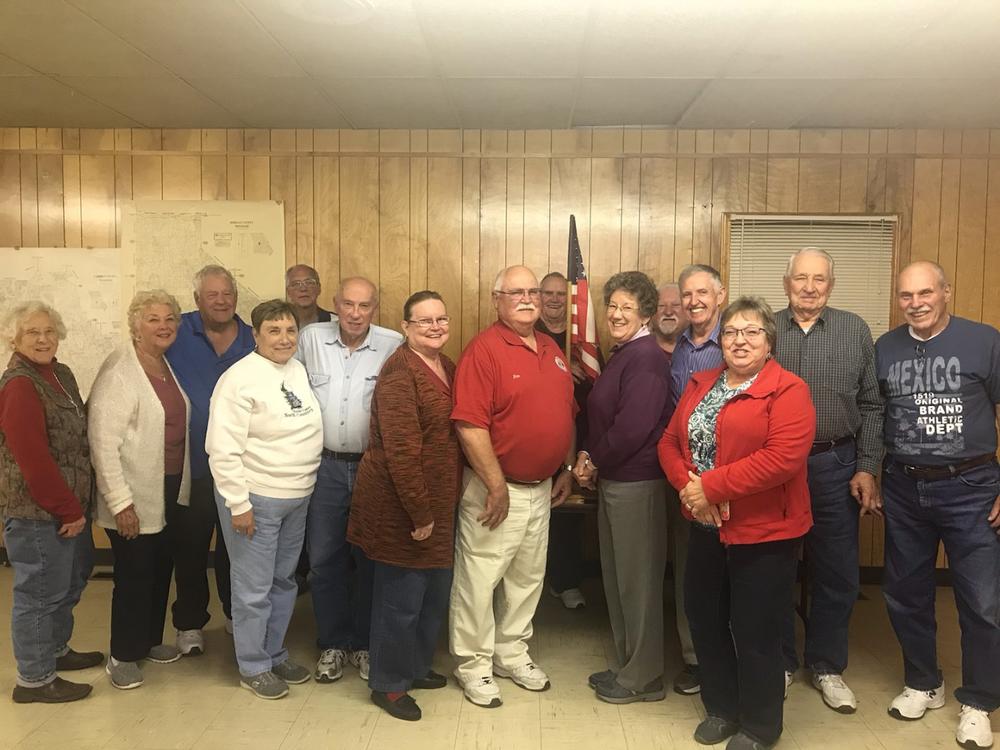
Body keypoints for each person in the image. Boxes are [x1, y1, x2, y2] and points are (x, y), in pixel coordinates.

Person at [659, 296, 815, 750]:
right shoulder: (700, 382)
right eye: (731, 332)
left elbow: (782, 459)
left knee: (756, 630)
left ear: (770, 342)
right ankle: (723, 708)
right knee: (704, 618)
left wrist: (712, 487)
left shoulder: (789, 390)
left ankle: (761, 726)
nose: (740, 340)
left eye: (751, 332)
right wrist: (691, 489)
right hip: (704, 526)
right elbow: (668, 443)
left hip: (764, 533)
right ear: (719, 340)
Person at [875, 261, 1000, 750]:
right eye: (906, 295)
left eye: (925, 292)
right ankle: (924, 682)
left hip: (971, 486)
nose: (916, 303)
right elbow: (874, 412)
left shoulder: (984, 340)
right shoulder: (885, 347)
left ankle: (978, 702)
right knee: (905, 593)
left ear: (946, 292)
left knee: (982, 601)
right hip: (904, 487)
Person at [449, 265, 575, 708]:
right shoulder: (483, 350)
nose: (527, 299)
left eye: (533, 292)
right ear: (496, 299)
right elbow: (469, 424)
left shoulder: (551, 348)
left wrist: (564, 468)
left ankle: (511, 652)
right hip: (494, 490)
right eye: (516, 292)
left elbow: (564, 411)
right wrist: (496, 485)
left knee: (527, 579)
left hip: (542, 488)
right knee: (480, 580)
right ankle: (474, 665)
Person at [774, 247, 883, 712]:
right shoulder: (765, 327)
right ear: (787, 282)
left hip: (834, 464)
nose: (810, 287)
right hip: (774, 469)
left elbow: (873, 406)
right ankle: (778, 662)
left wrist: (867, 467)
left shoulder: (854, 329)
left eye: (819, 279)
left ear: (831, 285)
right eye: (801, 278)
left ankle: (825, 666)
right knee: (772, 568)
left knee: (837, 572)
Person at [347, 291, 461, 722]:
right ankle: (389, 685)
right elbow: (400, 452)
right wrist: (421, 514)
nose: (435, 327)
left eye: (441, 318)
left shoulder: (445, 366)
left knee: (431, 593)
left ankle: (415, 666)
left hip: (437, 501)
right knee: (401, 598)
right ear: (407, 327)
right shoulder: (400, 372)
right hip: (401, 506)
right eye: (424, 321)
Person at [207, 299, 323, 700]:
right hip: (256, 499)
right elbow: (222, 449)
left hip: (297, 496)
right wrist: (238, 504)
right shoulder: (239, 378)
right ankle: (253, 665)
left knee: (282, 582)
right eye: (273, 331)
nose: (284, 338)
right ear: (255, 335)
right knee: (253, 587)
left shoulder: (297, 370)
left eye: (290, 330)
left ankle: (274, 652)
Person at [572, 272, 672, 704]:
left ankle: (644, 676)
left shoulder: (646, 357)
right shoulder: (625, 353)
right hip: (617, 480)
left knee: (638, 583)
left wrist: (593, 459)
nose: (615, 313)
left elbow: (632, 427)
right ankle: (629, 665)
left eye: (626, 307)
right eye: (611, 305)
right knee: (618, 579)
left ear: (646, 314)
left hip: (638, 484)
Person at [296, 277, 402, 684]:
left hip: (374, 467)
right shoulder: (310, 339)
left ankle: (364, 644)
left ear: (375, 308)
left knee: (370, 559)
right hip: (323, 468)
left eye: (365, 306)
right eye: (348, 305)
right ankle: (333, 643)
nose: (355, 314)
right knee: (324, 561)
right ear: (335, 304)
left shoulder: (393, 345)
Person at [0, 302, 102, 704]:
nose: (43, 340)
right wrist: (68, 509)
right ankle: (34, 680)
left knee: (67, 584)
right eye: (32, 333)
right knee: (39, 594)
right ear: (15, 338)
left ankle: (56, 652)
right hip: (38, 514)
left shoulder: (59, 373)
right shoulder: (19, 385)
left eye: (48, 332)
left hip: (67, 507)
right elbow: (32, 458)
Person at [90, 290, 192, 690]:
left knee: (158, 567)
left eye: (169, 319)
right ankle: (122, 655)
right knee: (134, 574)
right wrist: (120, 504)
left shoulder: (163, 364)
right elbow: (102, 443)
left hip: (164, 486)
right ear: (135, 323)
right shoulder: (121, 371)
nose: (163, 325)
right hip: (132, 491)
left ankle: (149, 640)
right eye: (152, 319)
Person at [165, 264, 255, 655]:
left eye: (227, 294)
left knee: (236, 550)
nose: (221, 301)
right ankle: (189, 624)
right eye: (212, 295)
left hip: (242, 466)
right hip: (192, 466)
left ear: (236, 297)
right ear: (197, 299)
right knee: (190, 547)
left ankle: (236, 615)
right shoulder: (176, 331)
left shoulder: (254, 339)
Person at [667, 264, 728, 696]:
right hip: (686, 476)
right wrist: (688, 482)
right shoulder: (680, 348)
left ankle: (735, 658)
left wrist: (718, 482)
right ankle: (696, 659)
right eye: (687, 295)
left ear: (720, 296)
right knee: (693, 573)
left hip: (731, 477)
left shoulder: (736, 339)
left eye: (702, 293)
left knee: (735, 574)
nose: (694, 302)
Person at [535, 270, 596, 610]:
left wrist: (583, 370)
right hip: (540, 431)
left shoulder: (581, 337)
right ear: (538, 296)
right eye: (549, 293)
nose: (555, 299)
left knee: (568, 508)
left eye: (562, 294)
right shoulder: (532, 332)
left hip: (578, 429)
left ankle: (566, 580)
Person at [286, 264, 334, 328]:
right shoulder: (278, 323)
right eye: (296, 284)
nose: (303, 289)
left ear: (319, 288)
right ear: (288, 292)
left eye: (309, 282)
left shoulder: (335, 322)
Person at [652, 281, 689, 362]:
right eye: (661, 306)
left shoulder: (702, 351)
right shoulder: (640, 351)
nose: (668, 312)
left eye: (676, 305)